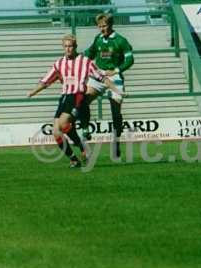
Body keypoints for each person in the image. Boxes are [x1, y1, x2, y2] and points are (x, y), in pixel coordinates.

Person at [28, 34, 120, 168]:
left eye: (70, 46)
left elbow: (101, 77)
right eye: (65, 46)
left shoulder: (85, 61)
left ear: (75, 47)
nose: (68, 49)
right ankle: (74, 158)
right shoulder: (59, 63)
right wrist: (33, 92)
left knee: (63, 123)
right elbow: (46, 80)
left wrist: (117, 90)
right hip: (64, 97)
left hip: (78, 95)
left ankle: (82, 146)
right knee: (56, 131)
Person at [81, 13, 134, 157]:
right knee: (82, 101)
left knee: (115, 110)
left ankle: (116, 142)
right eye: (99, 26)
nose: (101, 29)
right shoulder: (98, 39)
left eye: (104, 26)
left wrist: (116, 70)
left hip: (114, 76)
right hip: (98, 76)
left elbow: (130, 60)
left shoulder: (121, 41)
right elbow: (89, 53)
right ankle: (86, 130)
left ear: (111, 25)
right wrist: (78, 58)